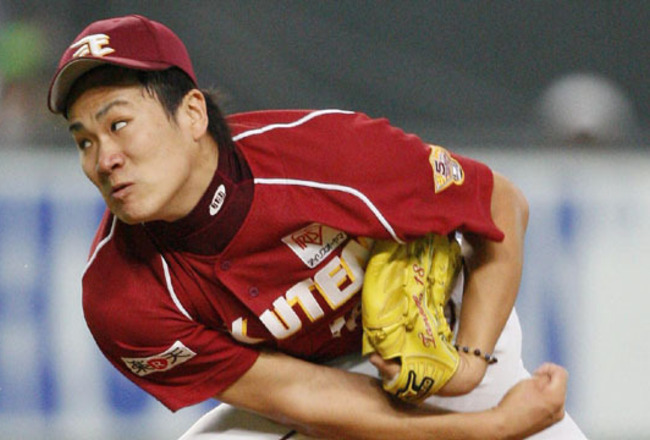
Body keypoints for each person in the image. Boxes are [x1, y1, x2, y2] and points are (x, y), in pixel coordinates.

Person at [47, 14, 587, 439]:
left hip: (438, 342)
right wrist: (488, 432)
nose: (104, 158)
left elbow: (501, 204)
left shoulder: (327, 154)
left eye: (118, 124)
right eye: (84, 141)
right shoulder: (120, 297)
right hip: (318, 384)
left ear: (192, 114)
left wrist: (472, 360)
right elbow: (305, 402)